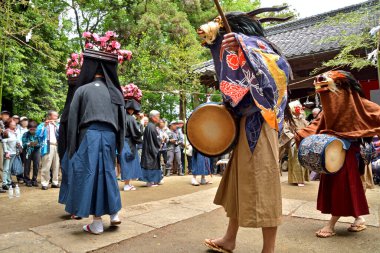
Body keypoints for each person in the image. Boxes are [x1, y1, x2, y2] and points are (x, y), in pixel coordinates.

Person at [197, 8, 292, 253]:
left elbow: (279, 73)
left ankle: (268, 250)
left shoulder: (261, 47)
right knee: (237, 184)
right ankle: (230, 238)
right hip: (243, 125)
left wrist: (242, 41)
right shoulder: (237, 51)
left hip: (262, 124)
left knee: (265, 184)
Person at [295, 71, 380, 238]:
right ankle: (359, 218)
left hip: (349, 153)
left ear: (343, 88)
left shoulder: (359, 103)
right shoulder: (328, 109)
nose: (329, 98)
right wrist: (300, 135)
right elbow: (316, 125)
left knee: (341, 188)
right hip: (330, 153)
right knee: (343, 188)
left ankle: (331, 224)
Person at [64, 46, 126, 235]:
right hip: (109, 136)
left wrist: (72, 147)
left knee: (90, 175)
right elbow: (121, 122)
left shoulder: (82, 90)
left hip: (88, 136)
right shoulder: (116, 93)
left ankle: (97, 222)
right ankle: (114, 213)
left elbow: (72, 120)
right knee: (108, 172)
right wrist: (119, 145)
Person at [120, 84, 143, 191]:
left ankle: (127, 184)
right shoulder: (130, 118)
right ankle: (126, 185)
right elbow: (136, 133)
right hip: (128, 142)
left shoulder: (120, 116)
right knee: (128, 162)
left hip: (121, 142)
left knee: (125, 162)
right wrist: (141, 125)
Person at [287, 101, 309, 187]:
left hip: (303, 140)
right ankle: (297, 179)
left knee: (303, 160)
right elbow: (286, 130)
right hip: (294, 141)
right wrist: (293, 136)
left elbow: (308, 127)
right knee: (296, 160)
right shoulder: (289, 120)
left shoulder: (302, 119)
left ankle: (302, 178)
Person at [36, 110, 60, 190]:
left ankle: (55, 182)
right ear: (49, 116)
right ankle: (44, 183)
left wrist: (55, 125)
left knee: (56, 165)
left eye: (57, 116)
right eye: (55, 116)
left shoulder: (57, 125)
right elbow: (38, 135)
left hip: (56, 146)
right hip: (47, 145)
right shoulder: (42, 125)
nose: (56, 117)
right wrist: (45, 126)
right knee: (46, 165)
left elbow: (62, 134)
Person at [141, 110, 162, 187]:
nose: (159, 118)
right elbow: (154, 140)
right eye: (158, 116)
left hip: (149, 149)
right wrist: (159, 142)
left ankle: (153, 180)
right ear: (153, 117)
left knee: (151, 164)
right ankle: (150, 181)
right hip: (151, 150)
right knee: (151, 164)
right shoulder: (151, 127)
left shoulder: (150, 126)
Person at [2, 120, 21, 190]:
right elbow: (4, 143)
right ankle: (4, 183)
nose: (14, 125)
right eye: (13, 124)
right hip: (8, 153)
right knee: (6, 168)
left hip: (14, 152)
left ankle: (9, 181)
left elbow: (15, 141)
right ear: (9, 124)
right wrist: (6, 152)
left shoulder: (14, 132)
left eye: (15, 124)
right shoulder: (6, 132)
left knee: (9, 168)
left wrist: (18, 145)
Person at [22, 120, 40, 187]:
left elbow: (41, 143)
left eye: (34, 129)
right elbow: (23, 144)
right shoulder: (25, 134)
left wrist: (35, 144)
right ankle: (27, 180)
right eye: (31, 129)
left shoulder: (38, 134)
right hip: (27, 150)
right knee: (27, 165)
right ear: (28, 128)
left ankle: (34, 180)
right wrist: (29, 144)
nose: (32, 130)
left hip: (36, 150)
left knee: (36, 165)